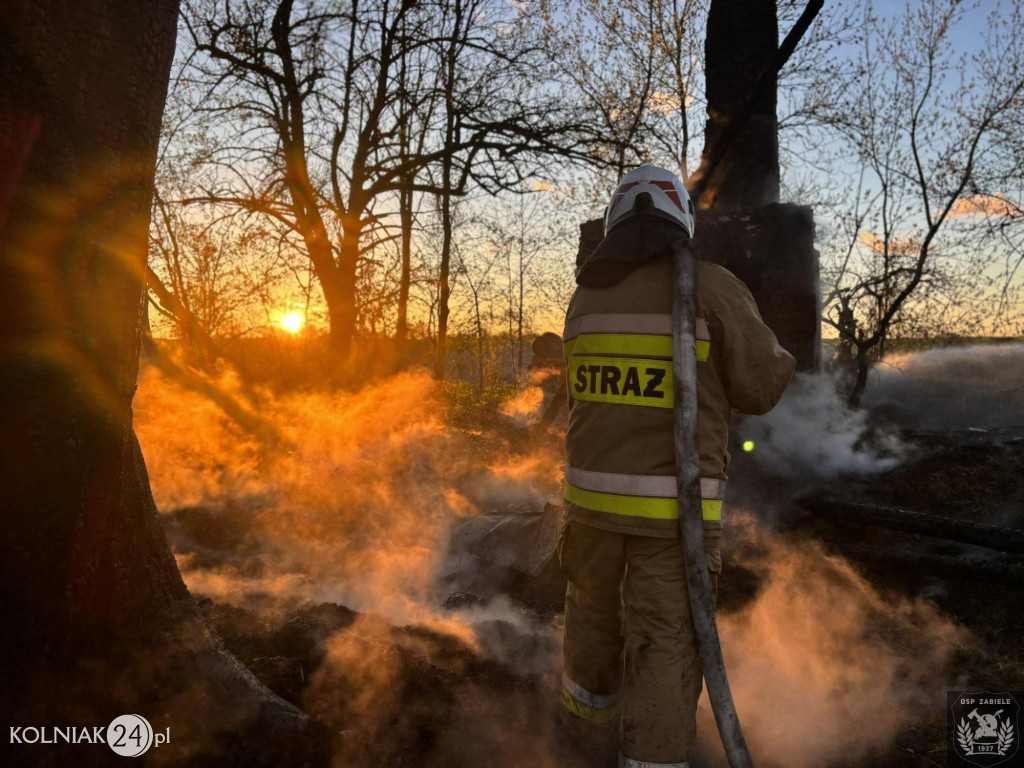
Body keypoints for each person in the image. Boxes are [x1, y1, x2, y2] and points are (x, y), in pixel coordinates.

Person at [558, 163, 795, 767]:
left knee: (590, 624)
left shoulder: (585, 296)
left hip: (588, 512)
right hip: (673, 519)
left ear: (614, 220)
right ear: (681, 221)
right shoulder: (710, 288)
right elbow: (761, 388)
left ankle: (580, 741)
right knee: (665, 643)